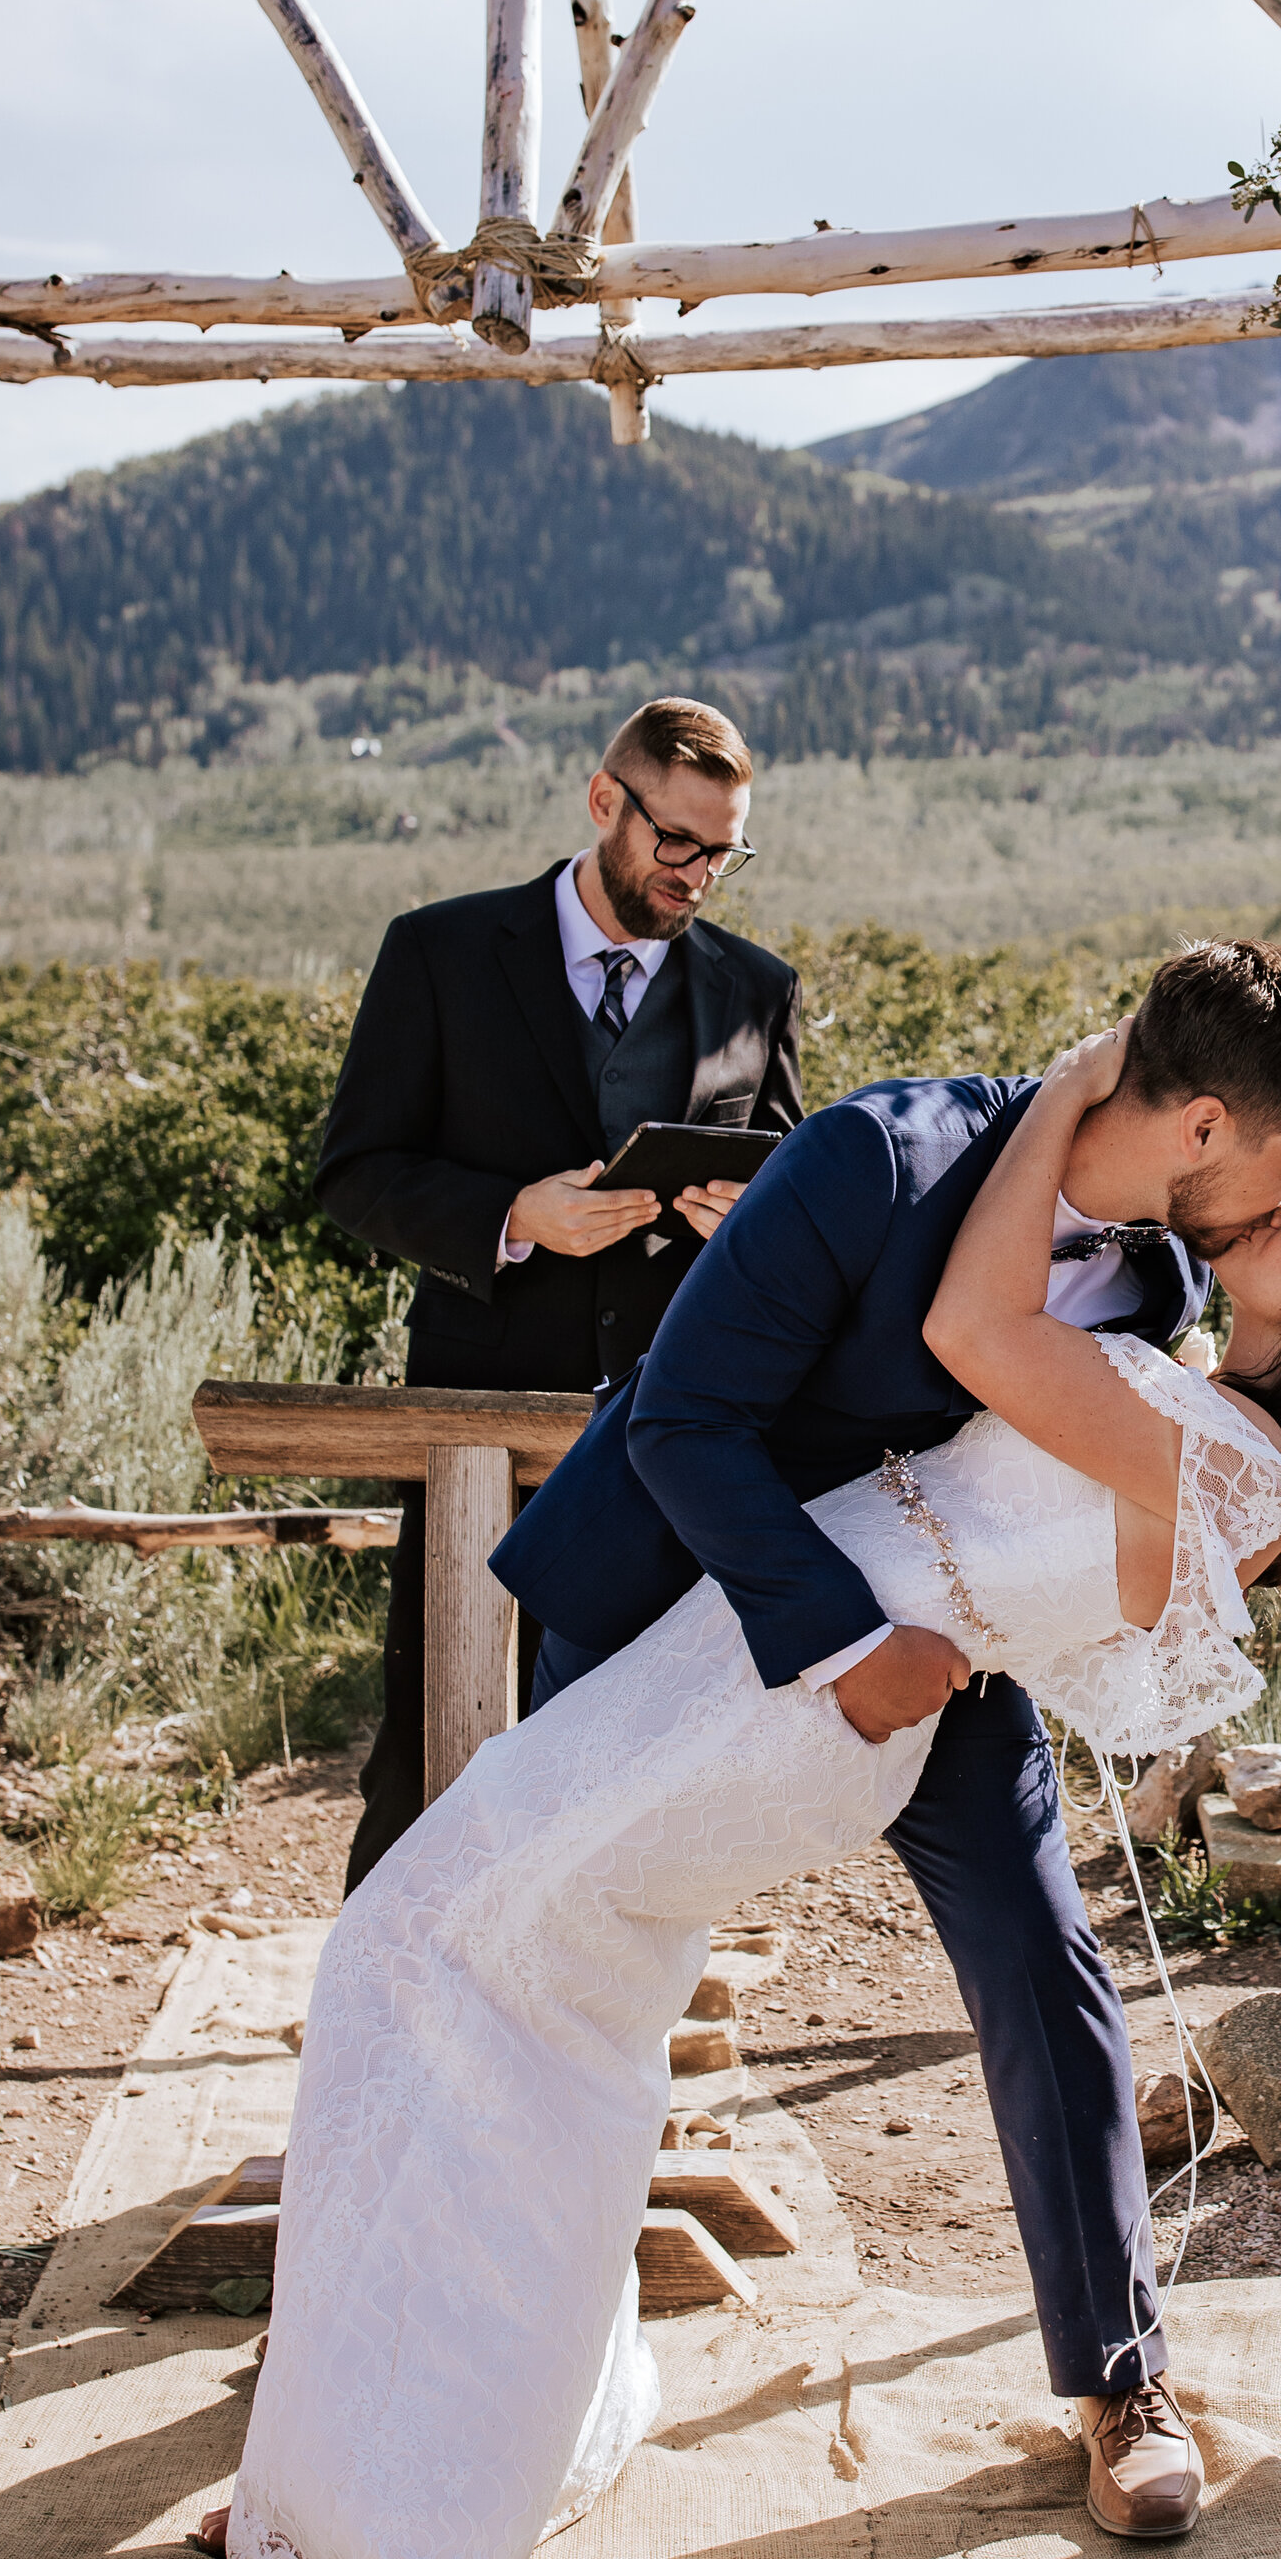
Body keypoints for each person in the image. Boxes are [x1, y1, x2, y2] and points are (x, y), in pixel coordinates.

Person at [130, 1014, 1281, 2559]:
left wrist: (1068, 1092)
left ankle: (1116, 2379)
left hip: (891, 1685)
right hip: (744, 1613)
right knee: (512, 1989)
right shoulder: (906, 1162)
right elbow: (703, 1411)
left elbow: (983, 1357)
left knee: (935, 1967)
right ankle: (369, 2436)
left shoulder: (1175, 1324)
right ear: (1208, 1121)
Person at [314, 696, 802, 1888]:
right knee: (440, 1726)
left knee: (634, 1740)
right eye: (676, 840)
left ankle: (585, 2006)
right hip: (473, 1419)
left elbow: (790, 1180)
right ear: (604, 802)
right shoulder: (437, 951)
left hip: (664, 1428)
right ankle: (392, 2004)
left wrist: (745, 1216)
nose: (697, 873)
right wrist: (510, 1218)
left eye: (722, 850)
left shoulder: (755, 988)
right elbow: (355, 1173)